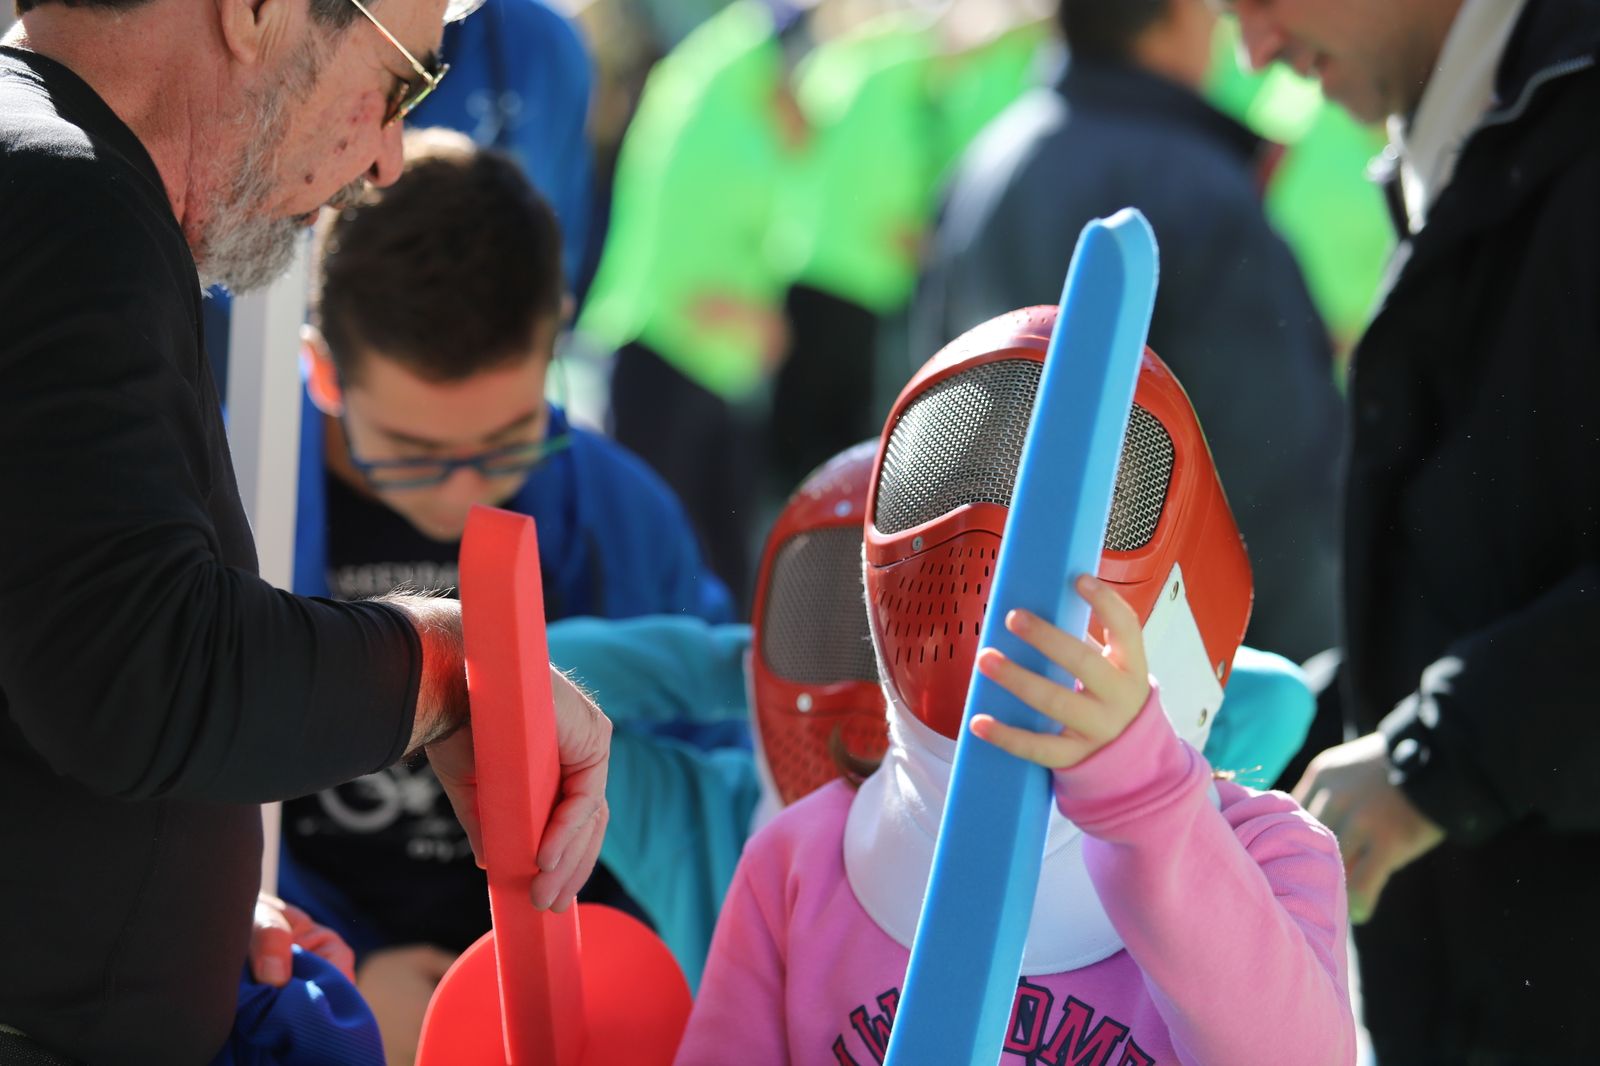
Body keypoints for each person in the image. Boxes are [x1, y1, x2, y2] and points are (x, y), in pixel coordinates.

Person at [0, 2, 609, 1062]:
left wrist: (183, 921)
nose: (384, 159)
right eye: (401, 83)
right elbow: (140, 673)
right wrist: (455, 669)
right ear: (259, 12)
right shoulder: (66, 193)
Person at [676, 308, 1356, 1062]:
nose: (991, 583)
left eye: (1089, 523)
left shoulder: (1273, 854)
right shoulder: (799, 862)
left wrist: (1145, 802)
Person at [553, 436, 1319, 990]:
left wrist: (1082, 697)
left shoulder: (1046, 829)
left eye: (922, 628)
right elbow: (524, 673)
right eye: (842, 628)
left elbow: (1277, 698)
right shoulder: (705, 822)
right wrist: (753, 664)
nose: (882, 683)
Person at [282, 127, 729, 1064]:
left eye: (510, 438)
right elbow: (196, 791)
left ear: (554, 337)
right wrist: (339, 968)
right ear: (323, 373)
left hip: (587, 1002)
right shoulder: (254, 503)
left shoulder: (620, 512)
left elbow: (706, 769)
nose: (462, 491)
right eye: (412, 451)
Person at [1222, 0, 1600, 1061]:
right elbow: (1496, 563)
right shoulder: (1481, 129)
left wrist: (1435, 762)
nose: (1254, 52)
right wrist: (1282, 728)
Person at [913, 0, 1344, 663]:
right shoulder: (1196, 185)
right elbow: (1271, 465)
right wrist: (1297, 678)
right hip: (1171, 680)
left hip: (1003, 645)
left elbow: (927, 408)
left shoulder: (987, 161)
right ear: (1175, 14)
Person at [578, 0, 812, 607]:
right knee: (654, 572)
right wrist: (744, 313)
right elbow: (678, 233)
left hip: (703, 364)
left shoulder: (723, 93)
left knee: (717, 573)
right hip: (665, 352)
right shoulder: (718, 92)